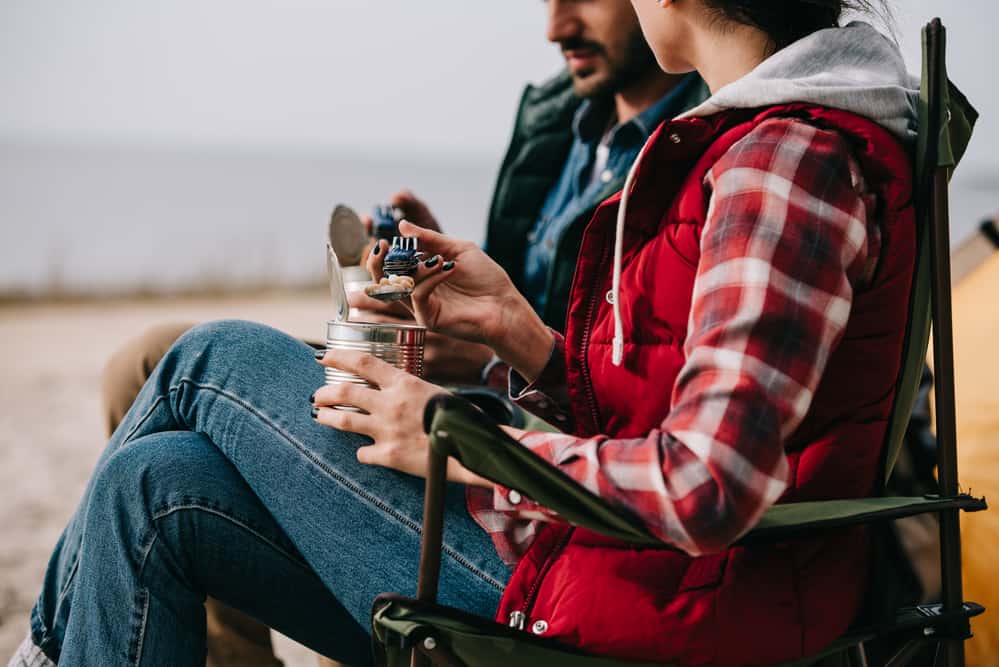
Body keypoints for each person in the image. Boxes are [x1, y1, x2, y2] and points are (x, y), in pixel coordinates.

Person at [10, 0, 917, 665]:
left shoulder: (780, 161)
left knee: (209, 358)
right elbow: (677, 419)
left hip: (645, 607)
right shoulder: (761, 146)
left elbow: (707, 484)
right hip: (631, 572)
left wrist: (461, 442)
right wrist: (524, 340)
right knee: (155, 479)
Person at [97, 3, 706, 662]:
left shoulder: (704, 145)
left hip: (517, 427)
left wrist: (490, 359)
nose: (555, 27)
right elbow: (521, 287)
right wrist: (435, 277)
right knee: (144, 368)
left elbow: (654, 388)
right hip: (480, 383)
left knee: (195, 377)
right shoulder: (554, 117)